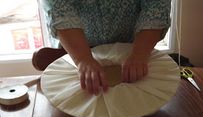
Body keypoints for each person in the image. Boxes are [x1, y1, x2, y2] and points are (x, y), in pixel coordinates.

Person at [35, 0, 171, 95]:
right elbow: (59, 8)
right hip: (76, 50)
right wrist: (83, 59)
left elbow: (156, 6)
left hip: (133, 50)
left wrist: (140, 54)